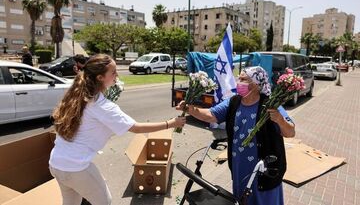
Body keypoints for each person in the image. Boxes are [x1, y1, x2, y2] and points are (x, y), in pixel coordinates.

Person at [49, 54, 186, 205]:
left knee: (70, 202)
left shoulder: (78, 95)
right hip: (76, 168)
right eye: (113, 72)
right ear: (100, 77)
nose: (117, 75)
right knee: (104, 202)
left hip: (56, 163)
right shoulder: (101, 105)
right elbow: (136, 127)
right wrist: (171, 123)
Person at [177, 66, 295, 205]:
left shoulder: (270, 104)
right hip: (240, 167)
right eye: (239, 78)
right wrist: (190, 109)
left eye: (243, 79)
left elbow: (290, 132)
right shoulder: (234, 101)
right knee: (242, 200)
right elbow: (211, 115)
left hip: (264, 170)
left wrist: (280, 120)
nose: (238, 81)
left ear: (256, 84)